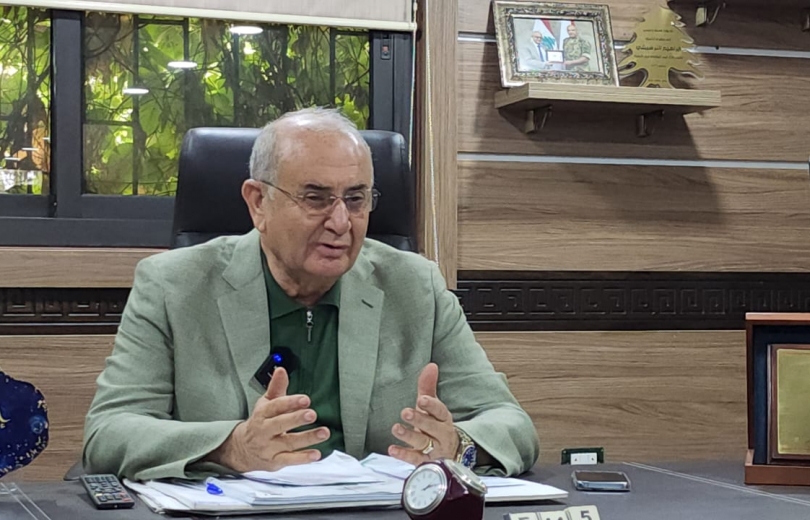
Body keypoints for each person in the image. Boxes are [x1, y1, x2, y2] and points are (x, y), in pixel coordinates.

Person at [82, 108, 540, 482]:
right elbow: (108, 433)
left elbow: (512, 424)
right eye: (316, 198)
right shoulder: (173, 286)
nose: (340, 222)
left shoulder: (415, 286)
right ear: (258, 202)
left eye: (356, 199)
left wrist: (458, 446)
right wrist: (231, 447)